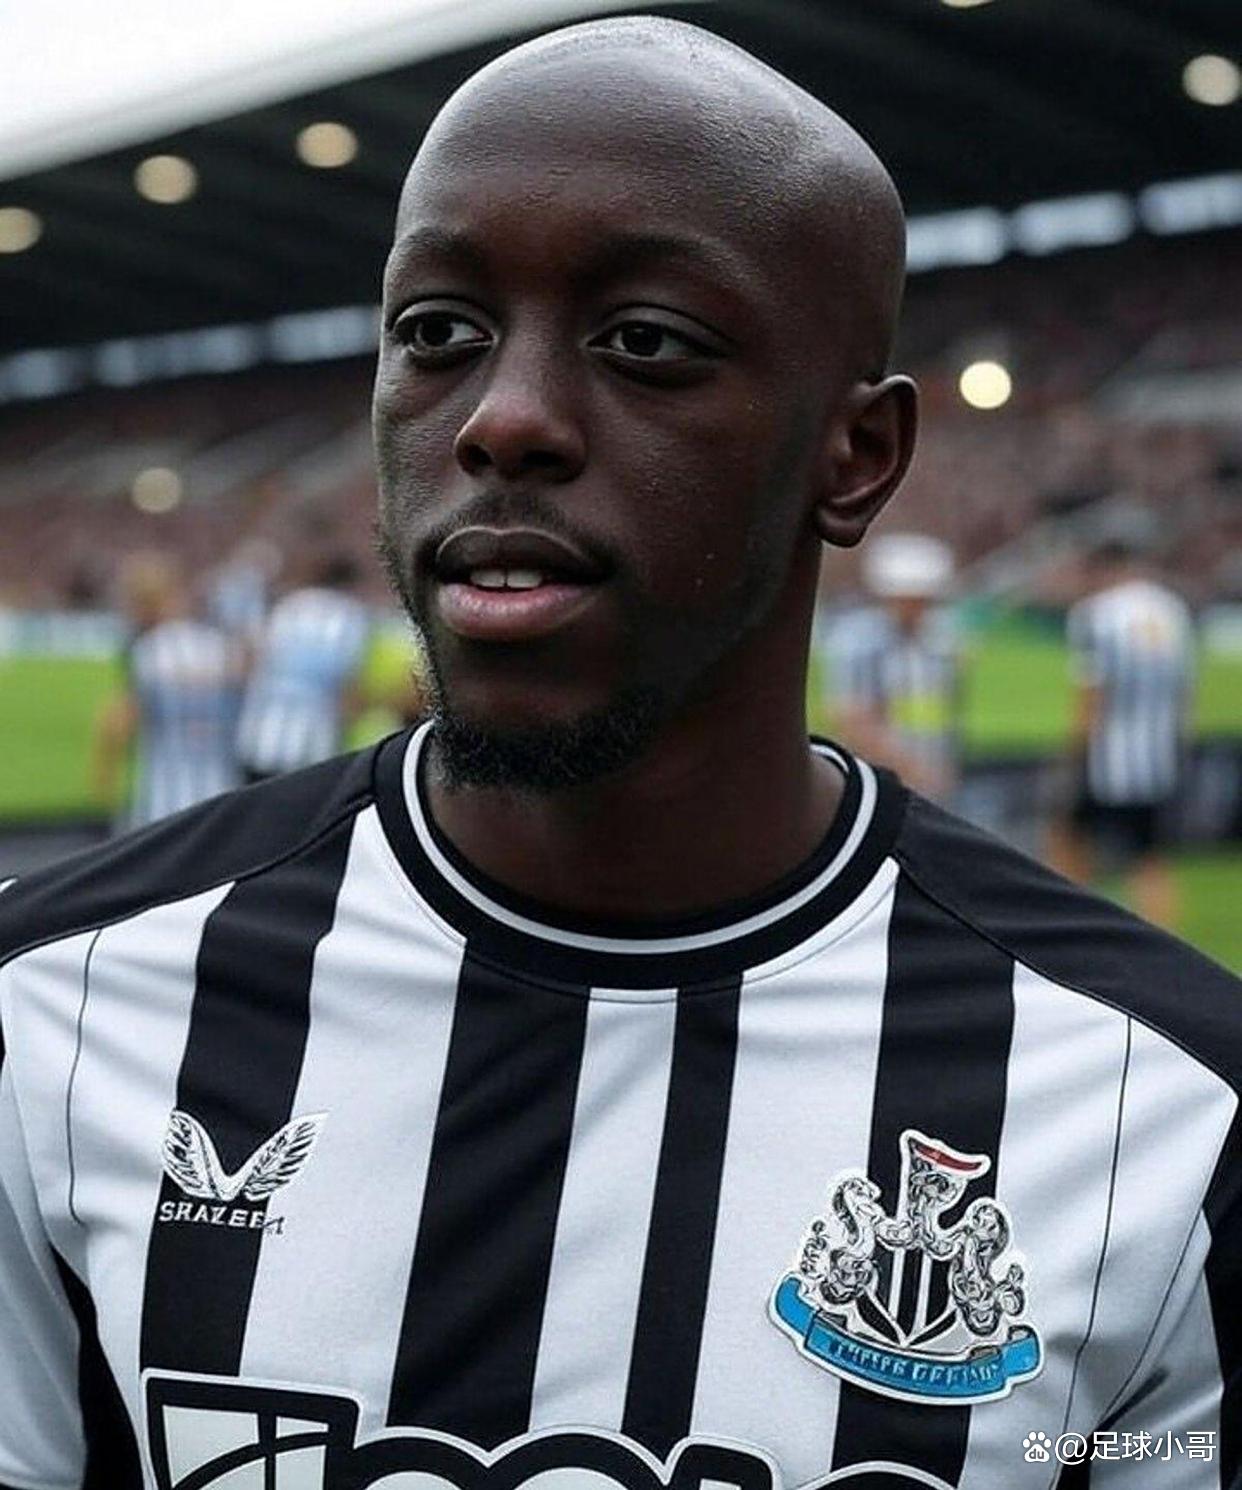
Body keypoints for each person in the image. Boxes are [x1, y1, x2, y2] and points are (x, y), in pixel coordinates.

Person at [0, 19, 1238, 1490]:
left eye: (646, 341)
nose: (503, 419)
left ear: (856, 458)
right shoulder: (51, 1013)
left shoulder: (1163, 1117)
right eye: (436, 333)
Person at [1051, 538, 1196, 929]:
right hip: (1158, 757)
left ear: (1100, 569)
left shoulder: (1097, 614)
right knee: (1148, 855)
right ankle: (1163, 936)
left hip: (1108, 758)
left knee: (1068, 839)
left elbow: (1093, 693)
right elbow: (1185, 691)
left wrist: (1074, 751)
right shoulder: (1171, 610)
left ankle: (1072, 926)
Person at [92, 551, 243, 829]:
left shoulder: (149, 651)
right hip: (222, 792)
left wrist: (104, 775)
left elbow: (119, 723)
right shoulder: (221, 647)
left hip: (163, 802)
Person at [829, 532, 960, 802]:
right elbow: (853, 717)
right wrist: (911, 769)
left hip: (931, 775)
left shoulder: (938, 642)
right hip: (881, 780)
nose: (918, 608)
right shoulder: (861, 641)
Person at [233, 550, 371, 782]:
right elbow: (349, 685)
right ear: (352, 582)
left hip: (260, 734)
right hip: (310, 743)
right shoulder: (350, 616)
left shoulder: (289, 605)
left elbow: (251, 660)